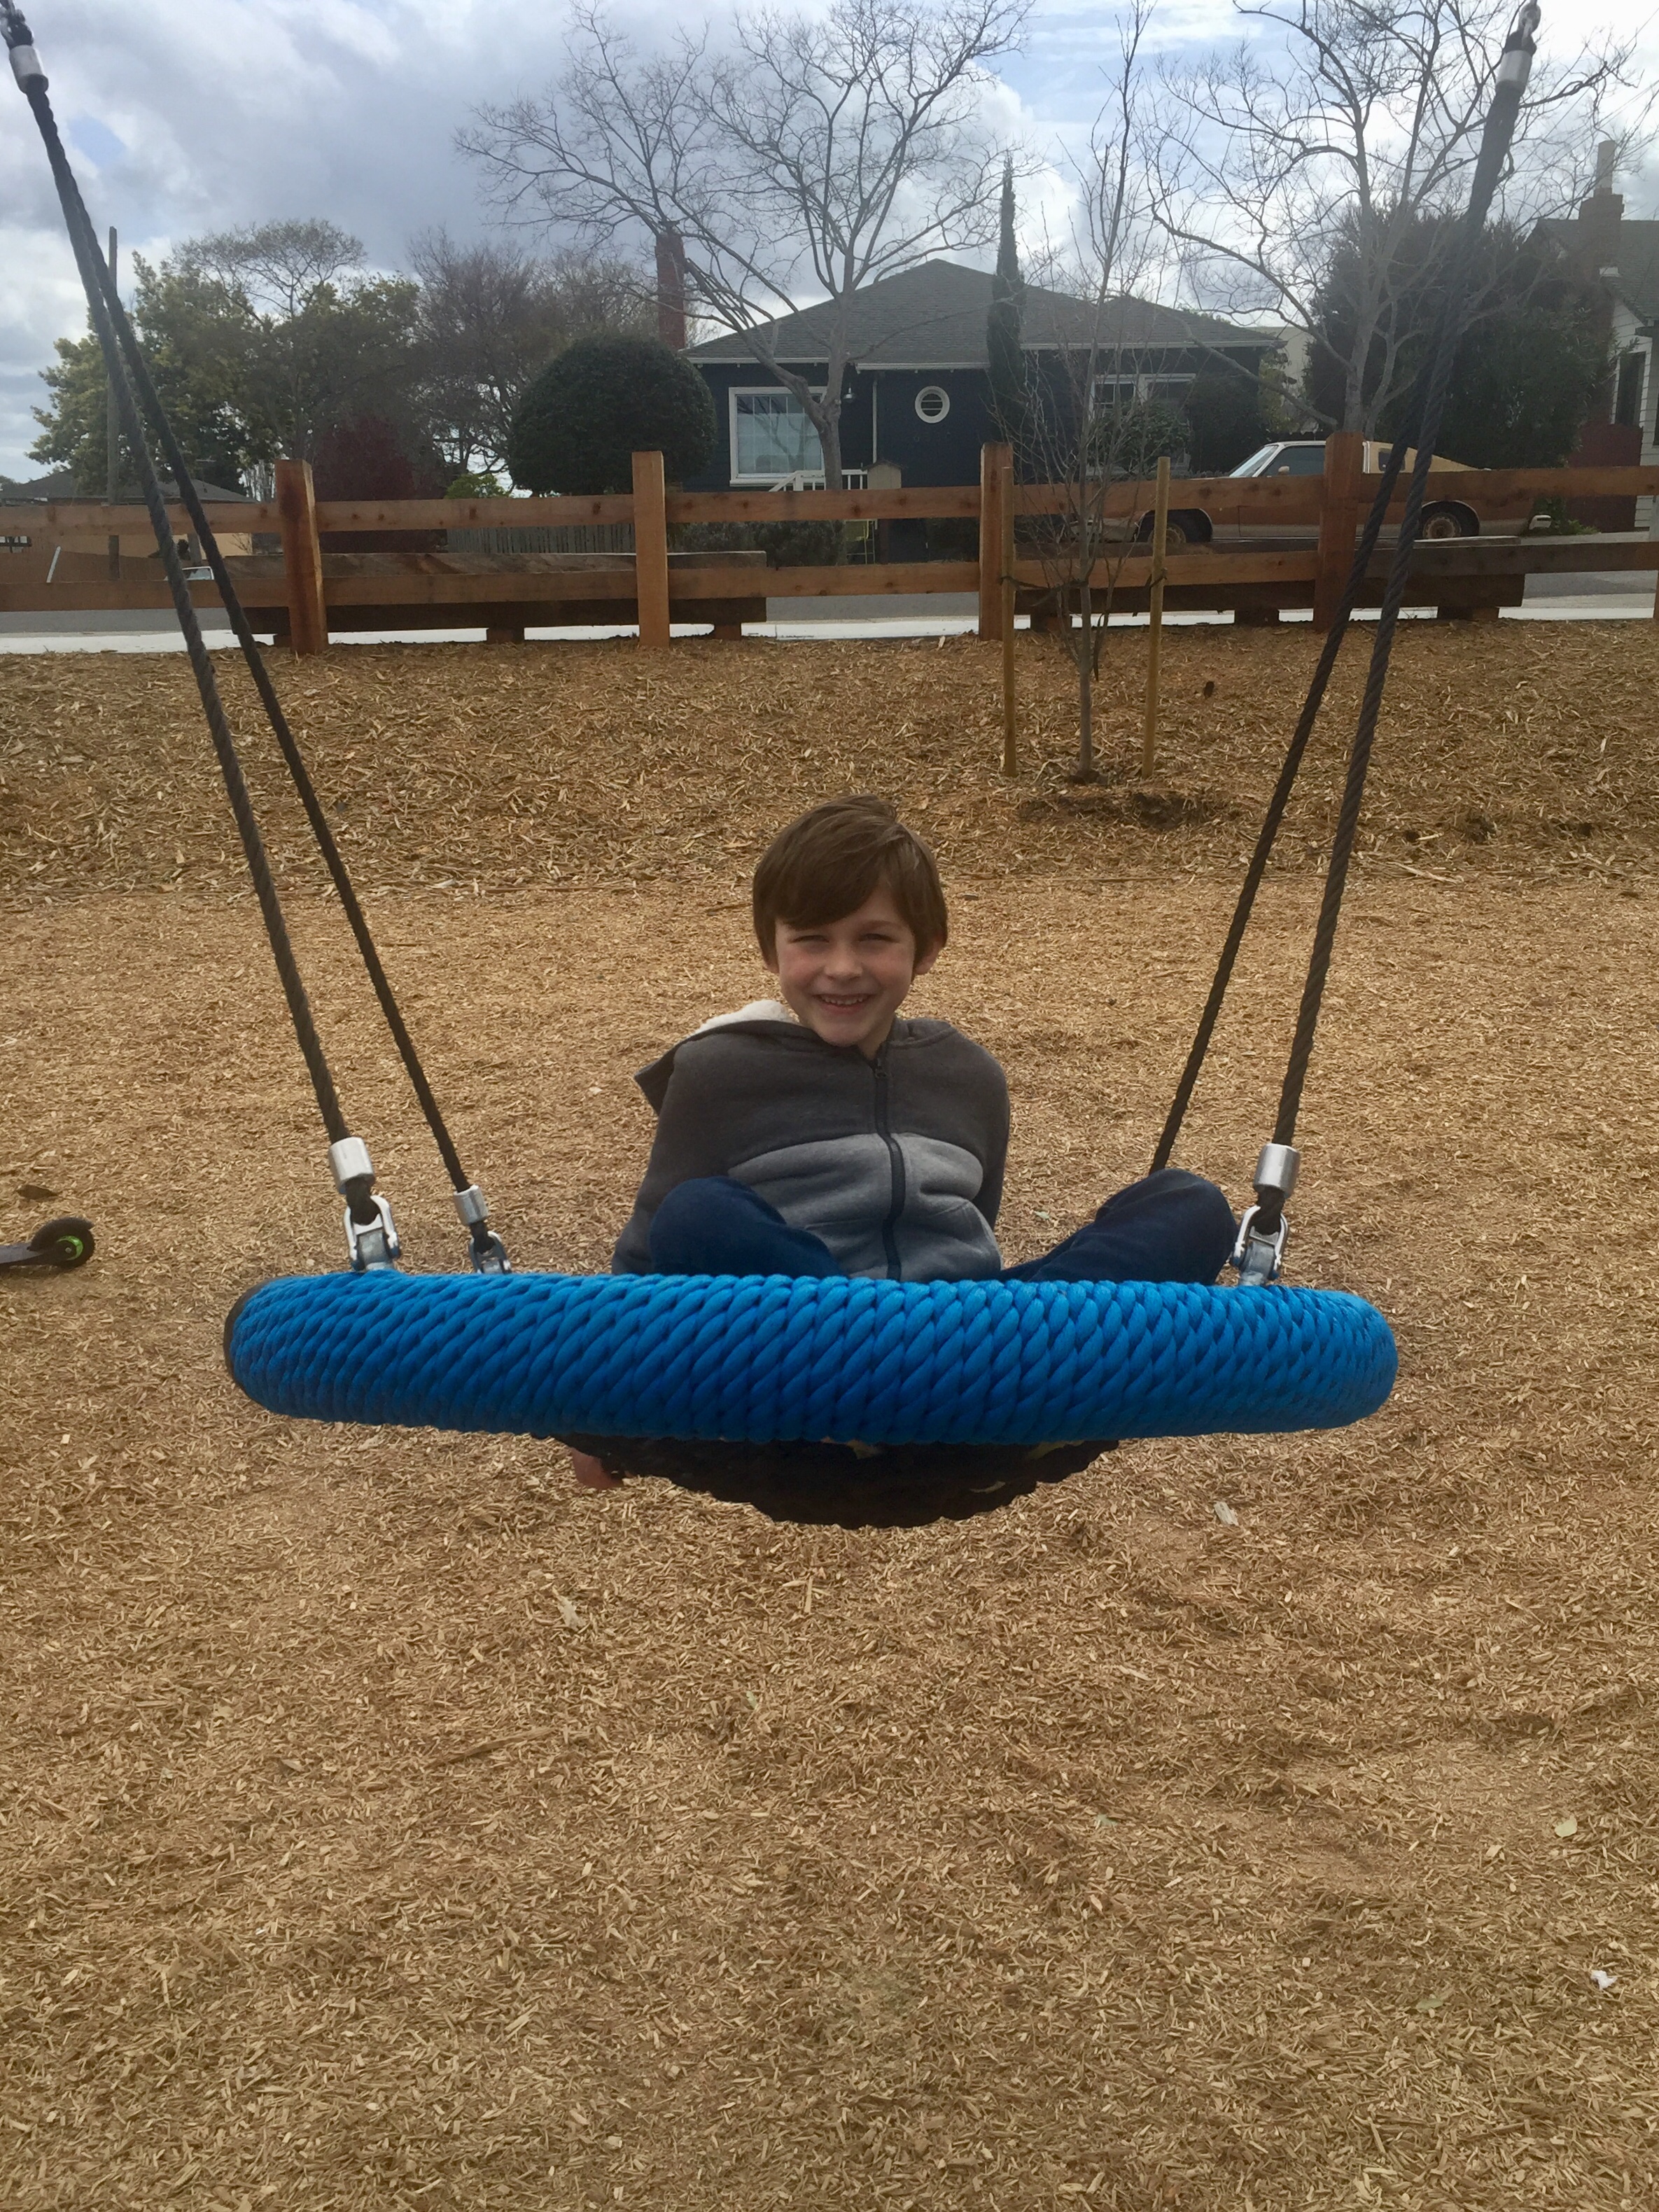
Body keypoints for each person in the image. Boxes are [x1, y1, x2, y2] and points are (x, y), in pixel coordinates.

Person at [568, 796, 1236, 1487]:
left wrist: (984, 1328)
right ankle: (936, 1409)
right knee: (696, 1214)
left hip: (967, 1332)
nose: (842, 967)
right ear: (770, 949)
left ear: (927, 948)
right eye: (812, 939)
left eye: (875, 939)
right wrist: (600, 1412)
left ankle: (970, 1399)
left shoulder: (970, 1076)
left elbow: (977, 1224)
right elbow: (649, 1256)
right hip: (810, 1348)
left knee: (1191, 1206)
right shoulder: (718, 1072)